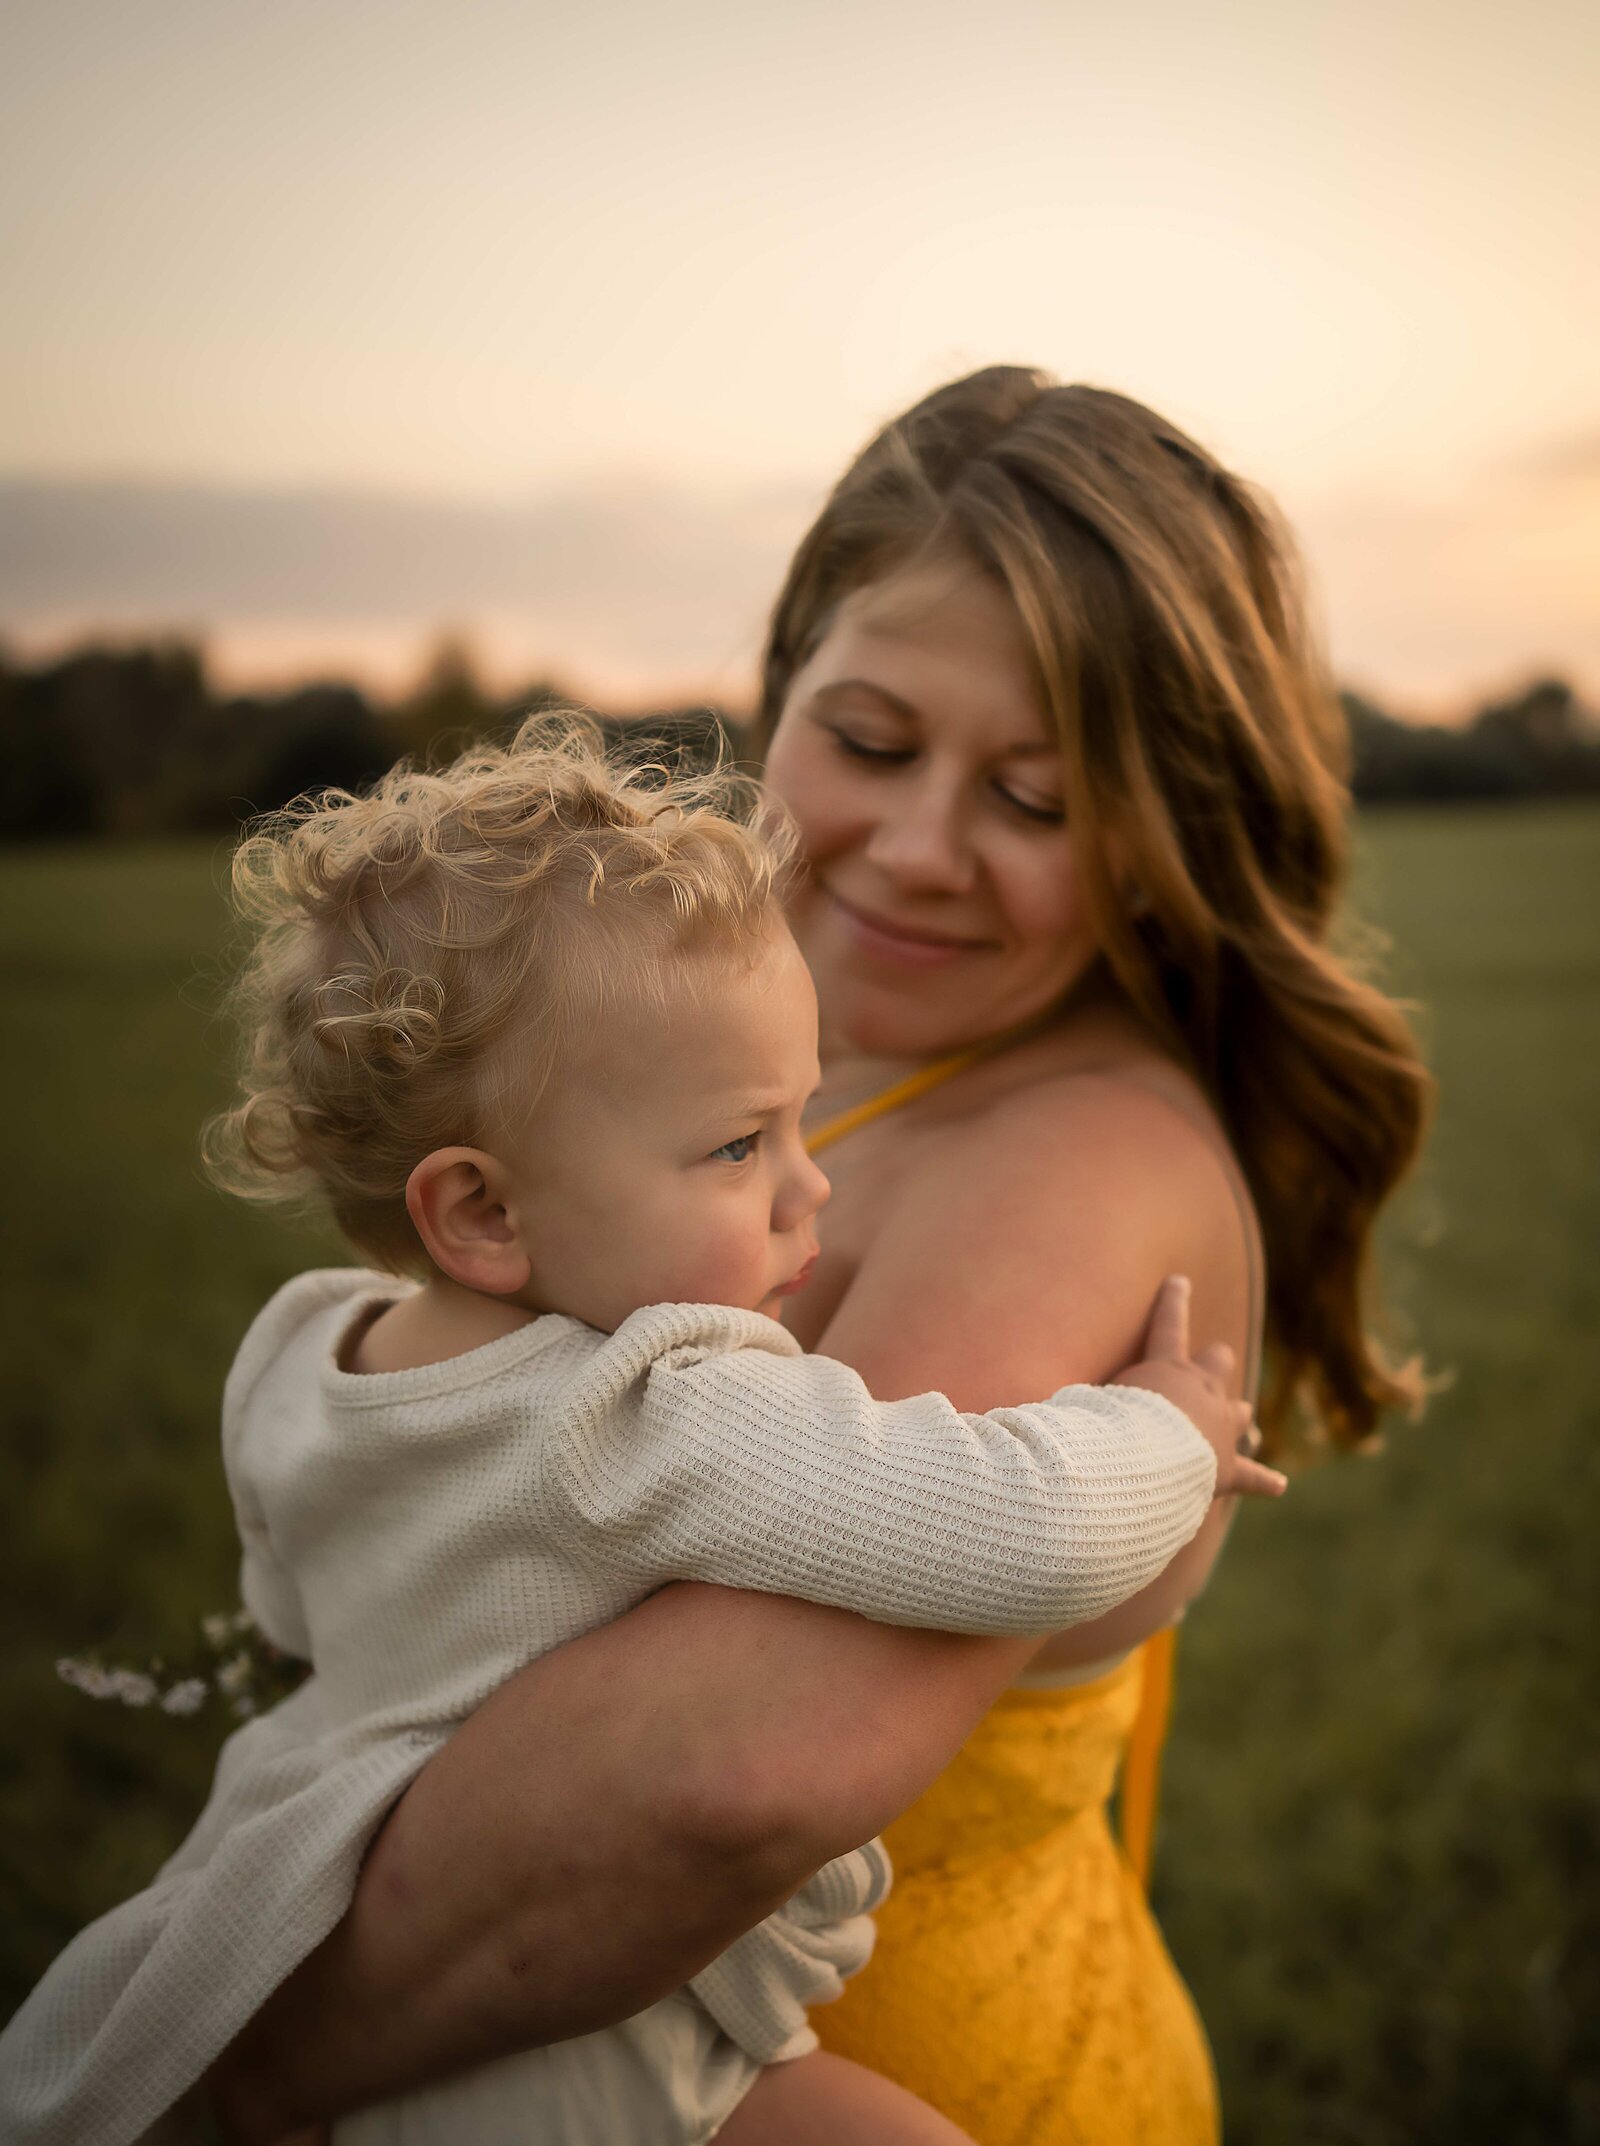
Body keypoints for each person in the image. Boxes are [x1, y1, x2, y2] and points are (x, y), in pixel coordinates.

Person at [203, 366, 1431, 2145]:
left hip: (930, 2077)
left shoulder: (1076, 1158)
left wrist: (229, 2069)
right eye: (866, 741)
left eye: (1036, 795)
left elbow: (722, 1772)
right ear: (779, 685)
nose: (919, 849)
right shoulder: (718, 1059)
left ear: (1170, 835)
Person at [0, 722, 1280, 2146]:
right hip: (581, 2056)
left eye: (807, 1119)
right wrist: (1165, 1426)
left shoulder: (302, 1348)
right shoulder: (659, 1407)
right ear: (480, 1210)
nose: (814, 1189)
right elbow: (1005, 1525)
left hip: (303, 1910)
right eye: (741, 1147)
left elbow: (292, 1600)